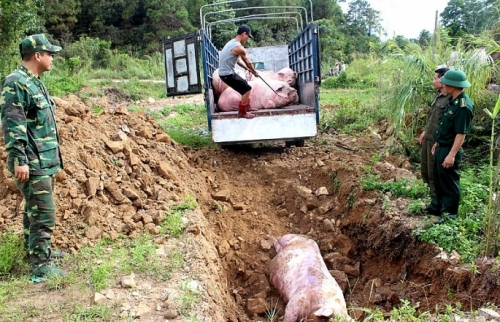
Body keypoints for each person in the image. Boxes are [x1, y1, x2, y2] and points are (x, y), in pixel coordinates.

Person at [0, 34, 67, 279]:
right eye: (49, 53)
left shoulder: (34, 81)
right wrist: (20, 160)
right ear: (37, 55)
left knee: (35, 210)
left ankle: (38, 251)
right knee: (44, 213)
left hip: (43, 160)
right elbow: (13, 125)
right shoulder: (15, 82)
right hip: (31, 161)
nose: (52, 58)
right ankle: (41, 266)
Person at [424, 69, 474, 223]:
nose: (442, 85)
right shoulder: (452, 100)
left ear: (453, 85)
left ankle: (449, 215)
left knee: (449, 183)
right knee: (438, 179)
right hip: (441, 146)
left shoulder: (464, 106)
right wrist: (438, 143)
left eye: (445, 83)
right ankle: (436, 206)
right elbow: (446, 127)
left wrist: (452, 154)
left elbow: (461, 134)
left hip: (450, 149)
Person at [419, 66, 449, 198]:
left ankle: (436, 201)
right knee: (425, 168)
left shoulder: (449, 99)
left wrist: (439, 141)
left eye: (435, 78)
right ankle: (430, 197)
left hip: (437, 141)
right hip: (428, 138)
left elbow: (447, 124)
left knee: (433, 171)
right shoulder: (438, 96)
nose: (433, 81)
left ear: (443, 80)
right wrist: (425, 131)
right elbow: (432, 117)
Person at [218, 24, 259, 119]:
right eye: (248, 36)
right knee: (247, 89)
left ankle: (246, 107)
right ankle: (242, 113)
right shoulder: (239, 48)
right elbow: (248, 62)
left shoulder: (231, 43)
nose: (247, 39)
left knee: (244, 85)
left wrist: (247, 69)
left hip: (225, 73)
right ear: (244, 34)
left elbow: (238, 61)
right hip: (227, 74)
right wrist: (254, 71)